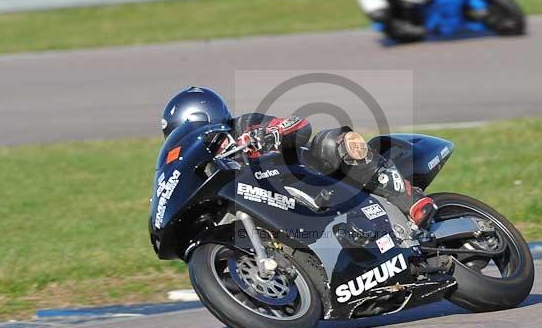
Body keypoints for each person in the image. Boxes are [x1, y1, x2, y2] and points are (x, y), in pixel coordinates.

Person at [161, 87, 436, 228]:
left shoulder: (243, 125)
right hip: (281, 210)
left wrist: (268, 135)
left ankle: (407, 198)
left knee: (333, 142)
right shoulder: (208, 168)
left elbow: (298, 124)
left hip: (311, 174)